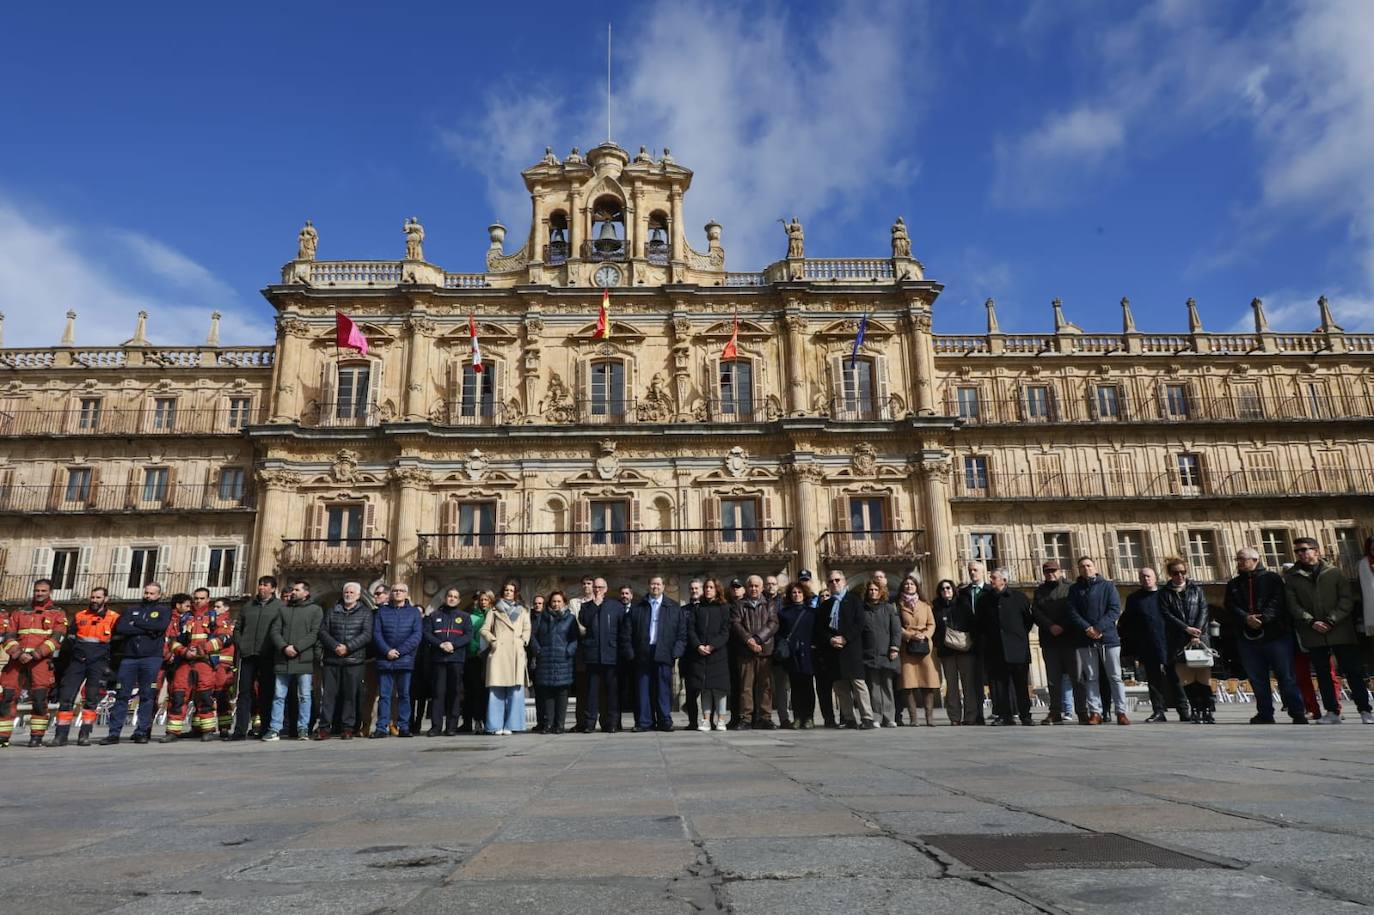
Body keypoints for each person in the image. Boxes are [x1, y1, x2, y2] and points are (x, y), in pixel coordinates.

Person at [1285, 537, 1373, 724]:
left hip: (1340, 630)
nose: (1301, 553)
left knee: (1352, 672)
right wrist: (1311, 622)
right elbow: (1293, 605)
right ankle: (1332, 712)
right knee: (1323, 674)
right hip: (1313, 632)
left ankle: (1365, 710)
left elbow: (1346, 600)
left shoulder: (1334, 572)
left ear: (1316, 551)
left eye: (1305, 549)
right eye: (1298, 551)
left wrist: (1330, 620)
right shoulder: (1292, 577)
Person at [1227, 547, 1306, 724]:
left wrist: (1263, 619)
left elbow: (1278, 602)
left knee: (1286, 676)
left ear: (1255, 560)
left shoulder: (1272, 579)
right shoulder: (1233, 584)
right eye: (1237, 559)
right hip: (1248, 638)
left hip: (1276, 636)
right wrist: (1246, 618)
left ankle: (1297, 711)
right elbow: (1230, 606)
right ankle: (1265, 713)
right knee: (1257, 678)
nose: (1239, 563)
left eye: (1242, 559)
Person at [1, 579, 69, 747]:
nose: (39, 593)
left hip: (40, 662)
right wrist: (17, 653)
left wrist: (36, 654)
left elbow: (57, 638)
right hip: (17, 661)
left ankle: (37, 736)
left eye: (43, 591)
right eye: (37, 590)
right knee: (7, 697)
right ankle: (3, 736)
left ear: (50, 592)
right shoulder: (19, 612)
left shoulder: (58, 613)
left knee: (39, 699)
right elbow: (8, 636)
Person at [100, 582, 169, 746]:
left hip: (151, 657)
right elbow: (121, 627)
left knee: (147, 695)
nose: (148, 596)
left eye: (152, 594)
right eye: (146, 593)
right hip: (129, 658)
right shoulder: (131, 609)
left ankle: (141, 732)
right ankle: (114, 733)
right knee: (122, 695)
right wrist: (147, 629)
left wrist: (136, 623)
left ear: (159, 595)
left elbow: (160, 627)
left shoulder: (164, 611)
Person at [161, 590, 231, 743]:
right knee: (178, 695)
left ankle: (208, 730)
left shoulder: (215, 617)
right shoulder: (184, 618)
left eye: (202, 598)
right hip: (185, 660)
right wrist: (184, 651)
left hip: (204, 661)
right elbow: (171, 640)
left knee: (205, 695)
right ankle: (173, 731)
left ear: (208, 599)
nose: (198, 601)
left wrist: (201, 650)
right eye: (196, 598)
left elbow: (224, 638)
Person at [52, 586, 118, 747]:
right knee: (66, 696)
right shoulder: (80, 615)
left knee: (91, 698)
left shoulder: (114, 617)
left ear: (106, 599)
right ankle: (60, 735)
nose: (94, 600)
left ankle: (85, 734)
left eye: (98, 597)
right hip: (78, 660)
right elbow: (71, 639)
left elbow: (117, 642)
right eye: (93, 597)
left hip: (99, 661)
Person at [1066, 556, 1128, 725]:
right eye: (1082, 566)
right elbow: (1072, 612)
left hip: (1109, 638)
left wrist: (1098, 628)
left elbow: (1115, 610)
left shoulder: (1108, 586)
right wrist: (1087, 628)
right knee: (1091, 677)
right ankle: (1095, 712)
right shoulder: (1074, 589)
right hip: (1085, 639)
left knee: (1115, 676)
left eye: (1088, 565)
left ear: (1095, 567)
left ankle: (1121, 712)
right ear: (1078, 570)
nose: (1086, 568)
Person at [1121, 568, 1188, 723]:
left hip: (1169, 642)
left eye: (1148, 576)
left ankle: (1183, 710)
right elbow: (1128, 623)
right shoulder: (1134, 599)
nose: (1146, 579)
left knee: (1175, 678)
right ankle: (1158, 711)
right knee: (1153, 680)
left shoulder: (1166, 594)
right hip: (1147, 643)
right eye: (1142, 577)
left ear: (1155, 578)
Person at [263, 580, 322, 741]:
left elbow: (314, 633)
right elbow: (275, 632)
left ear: (306, 593)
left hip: (303, 659)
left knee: (304, 696)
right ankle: (275, 728)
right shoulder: (283, 610)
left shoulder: (315, 610)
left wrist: (296, 647)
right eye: (293, 590)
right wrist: (284, 647)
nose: (293, 592)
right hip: (283, 659)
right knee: (279, 695)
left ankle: (303, 728)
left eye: (297, 590)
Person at [1158, 559, 1215, 724]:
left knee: (1204, 678)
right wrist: (1186, 629)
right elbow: (1166, 615)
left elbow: (1204, 611)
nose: (1180, 575)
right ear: (1170, 574)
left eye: (1183, 572)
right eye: (1175, 573)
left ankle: (1208, 710)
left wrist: (1197, 632)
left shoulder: (1197, 590)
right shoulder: (1164, 593)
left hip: (1199, 638)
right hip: (1178, 640)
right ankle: (1196, 709)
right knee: (1187, 678)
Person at [975, 570, 1034, 725]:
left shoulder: (1019, 598)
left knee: (1021, 684)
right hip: (995, 649)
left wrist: (1016, 636)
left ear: (1004, 580)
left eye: (994, 578)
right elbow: (980, 624)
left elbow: (1028, 621)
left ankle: (1025, 715)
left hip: (1017, 648)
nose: (991, 580)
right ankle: (1004, 715)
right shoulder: (984, 600)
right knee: (998, 686)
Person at [316, 582, 373, 740]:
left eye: (352, 592)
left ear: (358, 595)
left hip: (354, 660)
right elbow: (323, 631)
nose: (348, 595)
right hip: (332, 660)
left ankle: (348, 728)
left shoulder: (365, 613)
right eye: (346, 592)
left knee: (350, 696)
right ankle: (324, 728)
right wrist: (335, 646)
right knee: (328, 696)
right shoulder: (332, 611)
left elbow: (367, 634)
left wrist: (347, 647)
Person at [629, 575, 685, 732]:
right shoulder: (638, 607)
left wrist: (675, 652)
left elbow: (681, 634)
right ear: (648, 586)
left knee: (663, 689)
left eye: (658, 584)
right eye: (653, 584)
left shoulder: (673, 607)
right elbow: (628, 632)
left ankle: (664, 720)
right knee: (643, 688)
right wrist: (631, 653)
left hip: (664, 652)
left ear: (663, 586)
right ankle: (644, 722)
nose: (655, 587)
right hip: (643, 652)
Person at [231, 576, 284, 740]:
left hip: (267, 655)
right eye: (260, 584)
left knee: (266, 693)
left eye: (265, 585)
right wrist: (241, 644)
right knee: (244, 692)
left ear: (273, 589)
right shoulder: (248, 606)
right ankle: (239, 730)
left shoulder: (280, 607)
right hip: (248, 654)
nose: (261, 588)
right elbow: (237, 628)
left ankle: (265, 728)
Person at [1031, 561, 1084, 725]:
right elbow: (1036, 612)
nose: (1050, 574)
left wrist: (1063, 626)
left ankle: (1082, 711)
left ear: (1060, 571)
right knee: (1053, 680)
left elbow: (1075, 609)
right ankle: (1055, 712)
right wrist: (1050, 626)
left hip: (1070, 638)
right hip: (1050, 639)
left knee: (1078, 677)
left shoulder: (1071, 587)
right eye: (1047, 571)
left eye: (1053, 571)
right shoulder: (1039, 591)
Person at [822, 571, 875, 729]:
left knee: (859, 684)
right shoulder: (825, 605)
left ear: (844, 582)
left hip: (851, 649)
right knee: (840, 686)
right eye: (831, 581)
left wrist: (845, 638)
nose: (834, 583)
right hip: (834, 650)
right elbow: (821, 629)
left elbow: (860, 624)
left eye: (837, 580)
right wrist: (830, 639)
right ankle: (849, 718)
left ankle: (867, 718)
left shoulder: (854, 600)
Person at [579, 578, 630, 733]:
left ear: (606, 589)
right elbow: (585, 621)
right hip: (593, 656)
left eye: (600, 587)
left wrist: (623, 651)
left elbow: (623, 630)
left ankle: (612, 723)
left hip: (611, 655)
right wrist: (595, 604)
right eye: (595, 587)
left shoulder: (616, 606)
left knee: (612, 692)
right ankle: (590, 723)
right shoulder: (586, 606)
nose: (597, 590)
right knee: (592, 692)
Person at [371, 582, 421, 738]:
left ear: (406, 594)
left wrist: (399, 651)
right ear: (391, 594)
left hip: (404, 659)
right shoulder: (382, 612)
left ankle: (403, 727)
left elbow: (416, 635)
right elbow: (376, 634)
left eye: (401, 591)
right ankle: (381, 727)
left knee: (404, 695)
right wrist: (387, 651)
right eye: (395, 591)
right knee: (385, 696)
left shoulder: (414, 613)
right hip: (385, 659)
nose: (398, 593)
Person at [481, 581, 531, 735]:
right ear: (502, 592)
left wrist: (523, 641)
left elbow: (527, 628)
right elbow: (484, 629)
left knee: (516, 691)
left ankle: (512, 724)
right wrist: (493, 641)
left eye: (511, 590)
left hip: (515, 651)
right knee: (496, 689)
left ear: (515, 593)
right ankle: (495, 725)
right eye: (506, 590)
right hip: (499, 652)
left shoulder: (522, 611)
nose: (509, 592)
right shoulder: (494, 610)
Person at [730, 574, 779, 729]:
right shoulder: (739, 605)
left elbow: (773, 624)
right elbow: (736, 624)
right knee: (746, 686)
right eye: (751, 586)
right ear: (746, 587)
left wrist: (757, 639)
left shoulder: (769, 604)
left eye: (757, 586)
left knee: (765, 686)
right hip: (745, 651)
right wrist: (749, 641)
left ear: (762, 587)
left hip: (765, 650)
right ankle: (746, 718)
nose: (754, 588)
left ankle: (765, 717)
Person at [423, 587, 472, 736]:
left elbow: (468, 635)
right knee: (438, 693)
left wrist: (453, 645)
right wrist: (440, 644)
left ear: (459, 600)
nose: (452, 598)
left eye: (455, 597)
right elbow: (427, 633)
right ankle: (436, 727)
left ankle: (451, 726)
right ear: (445, 598)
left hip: (456, 659)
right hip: (439, 659)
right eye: (449, 596)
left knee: (454, 693)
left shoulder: (464, 616)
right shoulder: (434, 615)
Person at [686, 577, 731, 731]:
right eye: (706, 587)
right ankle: (705, 720)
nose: (708, 590)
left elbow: (725, 631)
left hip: (717, 653)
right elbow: (691, 629)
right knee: (704, 687)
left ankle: (721, 720)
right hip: (700, 653)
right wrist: (698, 645)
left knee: (719, 688)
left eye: (711, 587)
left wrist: (712, 646)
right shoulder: (698, 608)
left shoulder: (724, 607)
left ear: (717, 589)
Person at [530, 590, 578, 734]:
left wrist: (568, 651)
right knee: (547, 693)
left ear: (564, 603)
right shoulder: (542, 618)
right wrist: (538, 650)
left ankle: (559, 725)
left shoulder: (570, 618)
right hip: (545, 660)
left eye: (559, 601)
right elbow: (533, 636)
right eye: (553, 601)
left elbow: (574, 639)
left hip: (563, 660)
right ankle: (548, 724)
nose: (556, 604)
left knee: (562, 693)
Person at [933, 579, 978, 725]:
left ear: (953, 590)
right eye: (942, 589)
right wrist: (939, 642)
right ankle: (954, 717)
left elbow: (972, 624)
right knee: (951, 685)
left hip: (965, 649)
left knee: (968, 684)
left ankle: (970, 716)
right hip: (946, 652)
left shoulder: (963, 605)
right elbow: (934, 628)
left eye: (948, 588)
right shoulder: (936, 608)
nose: (946, 591)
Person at [896, 575, 939, 726]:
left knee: (928, 683)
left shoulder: (925, 605)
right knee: (908, 684)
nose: (909, 586)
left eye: (912, 584)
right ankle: (913, 719)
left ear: (917, 587)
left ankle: (930, 718)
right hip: (907, 647)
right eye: (906, 584)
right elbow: (897, 626)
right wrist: (909, 635)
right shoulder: (898, 605)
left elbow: (932, 624)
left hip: (925, 647)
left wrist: (925, 635)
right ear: (903, 587)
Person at [860, 578, 902, 727]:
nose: (873, 592)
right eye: (870, 590)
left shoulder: (889, 608)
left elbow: (896, 630)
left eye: (876, 590)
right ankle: (876, 717)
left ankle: (889, 716)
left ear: (881, 592)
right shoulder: (863, 609)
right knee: (874, 687)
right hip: (869, 653)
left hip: (887, 653)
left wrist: (895, 647)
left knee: (887, 686)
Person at [775, 582, 817, 728]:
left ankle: (809, 717)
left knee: (808, 687)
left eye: (799, 592)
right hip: (792, 655)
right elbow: (780, 634)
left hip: (808, 654)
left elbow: (816, 633)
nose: (797, 595)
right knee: (795, 687)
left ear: (804, 594)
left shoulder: (812, 613)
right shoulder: (784, 613)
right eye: (794, 592)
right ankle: (798, 717)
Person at [956, 563, 990, 724]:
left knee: (994, 677)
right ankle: (978, 715)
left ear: (984, 572)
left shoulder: (991, 591)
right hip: (970, 641)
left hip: (990, 640)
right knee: (973, 680)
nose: (972, 573)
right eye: (970, 570)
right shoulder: (963, 593)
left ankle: (1000, 713)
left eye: (975, 570)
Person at [810, 572, 842, 728]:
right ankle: (828, 718)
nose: (825, 597)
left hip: (838, 654)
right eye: (822, 596)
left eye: (827, 595)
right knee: (823, 690)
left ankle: (844, 717)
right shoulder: (816, 614)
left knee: (841, 688)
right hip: (821, 656)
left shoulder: (839, 611)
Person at [460, 589, 493, 734]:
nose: (483, 602)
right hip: (475, 658)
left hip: (491, 657)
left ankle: (489, 721)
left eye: (486, 600)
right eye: (481, 600)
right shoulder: (472, 617)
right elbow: (470, 636)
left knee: (489, 691)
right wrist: (476, 650)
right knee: (474, 691)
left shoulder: (495, 615)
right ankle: (474, 721)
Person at [679, 579, 705, 729]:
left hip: (706, 653)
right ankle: (693, 721)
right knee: (691, 689)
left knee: (706, 689)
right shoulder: (684, 610)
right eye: (692, 588)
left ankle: (709, 720)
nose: (694, 591)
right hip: (689, 655)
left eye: (697, 588)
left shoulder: (707, 609)